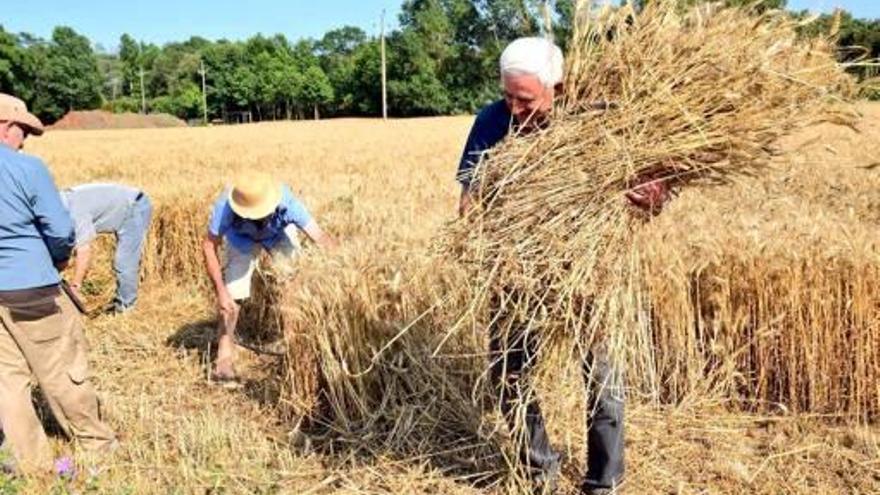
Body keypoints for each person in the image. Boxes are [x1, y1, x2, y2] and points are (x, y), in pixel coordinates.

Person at [456, 38, 669, 494]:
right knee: (509, 375)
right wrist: (479, 242)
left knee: (604, 381)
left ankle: (603, 482)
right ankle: (539, 470)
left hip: (591, 274)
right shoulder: (491, 122)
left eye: (525, 99)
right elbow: (470, 199)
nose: (514, 108)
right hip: (517, 273)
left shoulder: (598, 120)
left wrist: (653, 197)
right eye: (508, 96)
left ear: (560, 88)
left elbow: (656, 185)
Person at [0, 93, 117, 474]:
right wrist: (57, 259)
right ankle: (97, 445)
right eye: (23, 132)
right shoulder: (27, 168)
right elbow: (61, 229)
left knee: (7, 379)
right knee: (61, 367)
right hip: (32, 288)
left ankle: (26, 461)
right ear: (5, 126)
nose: (25, 141)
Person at [202, 172, 336, 385]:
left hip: (278, 235)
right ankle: (223, 361)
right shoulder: (226, 206)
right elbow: (209, 245)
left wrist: (344, 268)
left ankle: (294, 347)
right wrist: (221, 291)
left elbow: (320, 237)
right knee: (231, 300)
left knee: (294, 285)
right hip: (241, 240)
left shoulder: (288, 203)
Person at [62, 183, 153, 313]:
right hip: (122, 207)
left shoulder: (75, 213)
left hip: (134, 207)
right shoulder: (58, 203)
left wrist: (75, 285)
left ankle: (126, 308)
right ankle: (122, 301)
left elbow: (84, 251)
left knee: (123, 262)